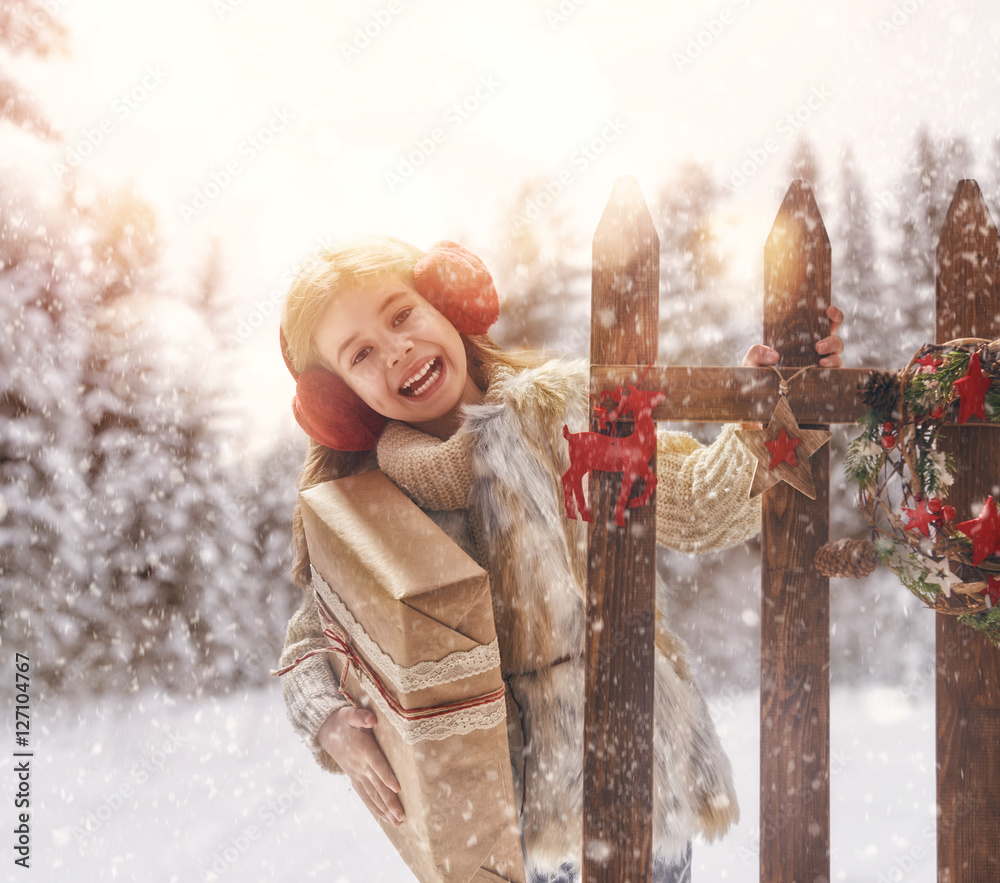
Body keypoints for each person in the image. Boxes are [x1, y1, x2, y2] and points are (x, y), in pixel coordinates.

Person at [274, 235, 844, 883]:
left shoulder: (561, 417)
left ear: (446, 306)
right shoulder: (368, 505)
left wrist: (775, 411)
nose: (397, 348)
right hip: (490, 819)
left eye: (402, 315)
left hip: (628, 775)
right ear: (342, 402)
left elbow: (699, 503)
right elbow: (315, 639)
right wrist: (328, 719)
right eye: (362, 354)